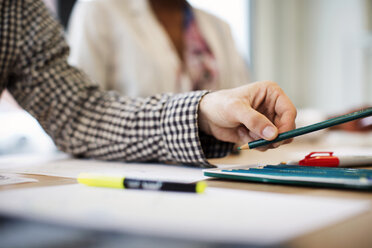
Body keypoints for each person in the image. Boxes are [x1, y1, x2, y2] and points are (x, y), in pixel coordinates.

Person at [0, 0, 296, 167]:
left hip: (219, 169)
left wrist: (202, 114)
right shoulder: (100, 10)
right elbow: (76, 126)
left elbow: (78, 114)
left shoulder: (19, 10)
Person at [67, 0, 250, 97]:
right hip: (129, 166)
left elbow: (239, 100)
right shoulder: (99, 11)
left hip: (217, 162)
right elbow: (81, 109)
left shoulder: (219, 27)